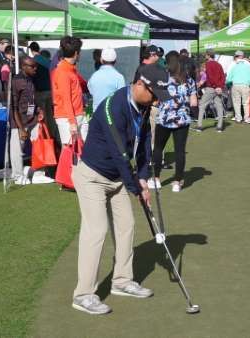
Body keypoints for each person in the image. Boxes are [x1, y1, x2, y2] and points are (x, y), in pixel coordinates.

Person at [71, 64, 171, 315]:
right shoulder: (112, 107)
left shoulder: (143, 105)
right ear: (140, 84)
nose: (157, 99)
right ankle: (83, 295)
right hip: (92, 177)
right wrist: (136, 188)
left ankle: (122, 281)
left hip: (116, 178)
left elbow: (146, 140)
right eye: (154, 93)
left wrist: (145, 177)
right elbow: (120, 154)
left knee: (127, 226)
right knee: (96, 231)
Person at [149, 52, 197, 192]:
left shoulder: (162, 78)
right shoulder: (189, 80)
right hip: (182, 120)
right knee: (179, 151)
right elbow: (193, 102)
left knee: (158, 148)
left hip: (164, 118)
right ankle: (177, 182)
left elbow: (155, 98)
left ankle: (156, 179)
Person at [9, 56, 42, 185]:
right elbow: (13, 107)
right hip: (19, 122)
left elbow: (31, 99)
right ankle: (17, 175)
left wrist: (39, 110)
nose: (35, 69)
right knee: (17, 150)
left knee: (39, 145)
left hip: (32, 119)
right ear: (23, 66)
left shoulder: (31, 79)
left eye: (36, 66)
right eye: (32, 66)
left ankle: (38, 171)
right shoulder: (16, 82)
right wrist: (21, 128)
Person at [52, 36, 87, 144]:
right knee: (70, 151)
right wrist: (72, 122)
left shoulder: (70, 68)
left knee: (82, 150)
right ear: (76, 53)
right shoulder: (63, 71)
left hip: (76, 114)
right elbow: (66, 99)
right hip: (67, 117)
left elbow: (83, 85)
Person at [29, 43, 55, 140]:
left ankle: (44, 139)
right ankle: (52, 138)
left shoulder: (33, 61)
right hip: (50, 92)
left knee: (40, 117)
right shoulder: (49, 61)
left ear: (31, 50)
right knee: (50, 118)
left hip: (39, 93)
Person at [88, 48, 126, 113]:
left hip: (97, 115)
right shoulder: (119, 77)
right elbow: (122, 99)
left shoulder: (93, 76)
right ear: (115, 61)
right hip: (112, 116)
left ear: (101, 60)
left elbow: (91, 92)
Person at [196, 49, 225, 132]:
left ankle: (199, 126)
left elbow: (211, 77)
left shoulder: (208, 64)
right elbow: (222, 77)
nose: (205, 56)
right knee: (219, 106)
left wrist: (216, 86)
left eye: (206, 54)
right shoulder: (219, 64)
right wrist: (220, 87)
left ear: (208, 55)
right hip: (218, 88)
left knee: (202, 105)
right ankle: (219, 126)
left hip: (211, 88)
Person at [226, 50, 250, 124]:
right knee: (246, 103)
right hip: (245, 85)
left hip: (235, 85)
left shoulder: (232, 64)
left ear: (235, 56)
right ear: (242, 56)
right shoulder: (247, 63)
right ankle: (246, 119)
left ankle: (238, 118)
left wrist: (228, 83)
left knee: (236, 103)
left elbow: (228, 76)